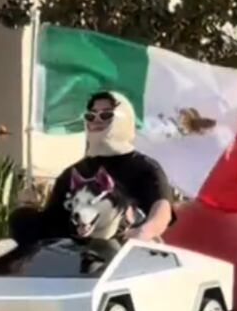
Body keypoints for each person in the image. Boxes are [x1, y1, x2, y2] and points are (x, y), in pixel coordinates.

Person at [10, 91, 175, 245]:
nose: (96, 120)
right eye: (90, 116)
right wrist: (26, 211)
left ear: (124, 121)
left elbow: (162, 213)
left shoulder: (144, 167)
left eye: (106, 115)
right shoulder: (73, 173)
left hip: (128, 262)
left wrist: (142, 232)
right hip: (78, 264)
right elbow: (52, 222)